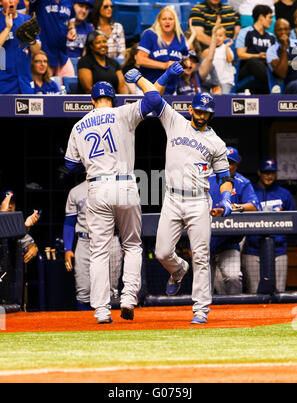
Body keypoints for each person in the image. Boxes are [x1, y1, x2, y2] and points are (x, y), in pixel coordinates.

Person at [64, 68, 169, 324]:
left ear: (92, 100)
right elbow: (155, 101)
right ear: (114, 98)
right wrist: (145, 80)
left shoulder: (79, 125)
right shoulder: (123, 112)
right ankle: (128, 298)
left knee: (99, 251)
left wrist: (91, 164)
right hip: (125, 184)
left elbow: (69, 165)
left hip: (97, 187)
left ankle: (101, 311)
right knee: (132, 245)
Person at [152, 84, 234, 324]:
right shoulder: (174, 121)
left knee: (201, 256)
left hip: (199, 200)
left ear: (210, 114)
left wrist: (227, 199)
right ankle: (178, 269)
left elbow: (224, 177)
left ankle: (200, 309)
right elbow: (154, 97)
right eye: (198, 111)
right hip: (173, 197)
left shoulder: (216, 142)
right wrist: (149, 79)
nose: (201, 116)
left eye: (205, 113)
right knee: (162, 252)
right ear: (191, 109)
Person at [63, 179, 122, 311]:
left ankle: (109, 327)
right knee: (83, 291)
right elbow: (69, 222)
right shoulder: (76, 191)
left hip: (109, 240)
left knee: (111, 291)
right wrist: (67, 248)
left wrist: (125, 243)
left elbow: (124, 220)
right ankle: (85, 328)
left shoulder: (114, 188)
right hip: (84, 241)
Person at [209, 147, 260, 295]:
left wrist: (235, 207)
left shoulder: (242, 182)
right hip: (206, 240)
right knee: (205, 284)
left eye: (231, 163)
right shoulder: (206, 179)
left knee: (233, 277)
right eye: (225, 162)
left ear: (237, 165)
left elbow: (254, 206)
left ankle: (237, 310)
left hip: (228, 241)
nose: (227, 165)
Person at [243, 158, 296, 294]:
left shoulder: (285, 194)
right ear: (259, 172)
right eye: (266, 172)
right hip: (253, 250)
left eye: (272, 172)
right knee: (254, 292)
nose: (269, 176)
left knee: (279, 292)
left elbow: (294, 221)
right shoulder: (250, 192)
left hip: (279, 250)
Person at [136, 6, 189, 95]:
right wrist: (164, 65)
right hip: (147, 88)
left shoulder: (180, 38)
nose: (167, 21)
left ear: (175, 21)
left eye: (170, 19)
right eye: (164, 19)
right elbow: (140, 59)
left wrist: (184, 65)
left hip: (170, 90)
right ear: (159, 21)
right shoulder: (150, 35)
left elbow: (186, 61)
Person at [0, 0, 41, 94]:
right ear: (1, 2)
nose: (11, 1)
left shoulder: (27, 20)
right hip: (3, 81)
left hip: (25, 81)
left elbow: (36, 50)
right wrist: (7, 28)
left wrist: (31, 40)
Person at [29, 0, 76, 81]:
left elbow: (72, 17)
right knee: (44, 90)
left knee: (71, 85)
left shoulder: (68, 2)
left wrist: (72, 28)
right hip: (43, 55)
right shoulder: (40, 2)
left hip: (62, 55)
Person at [235, 4, 276, 94]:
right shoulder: (246, 32)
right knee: (254, 61)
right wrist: (258, 56)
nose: (271, 20)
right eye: (269, 17)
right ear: (261, 17)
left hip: (265, 67)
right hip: (247, 68)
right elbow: (240, 54)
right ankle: (271, 91)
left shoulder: (271, 37)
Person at [0, 191, 39, 264]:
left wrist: (32, 246)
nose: (10, 206)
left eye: (12, 203)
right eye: (7, 203)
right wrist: (3, 214)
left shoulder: (15, 226)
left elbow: (22, 239)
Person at [266, 18, 297, 93]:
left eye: (286, 29)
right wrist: (284, 47)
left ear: (290, 30)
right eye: (279, 30)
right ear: (275, 32)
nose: (283, 32)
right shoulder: (272, 50)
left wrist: (291, 64)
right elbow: (282, 73)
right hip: (291, 84)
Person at [205, 25, 235, 94]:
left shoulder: (226, 48)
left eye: (220, 36)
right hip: (213, 82)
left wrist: (227, 47)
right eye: (216, 36)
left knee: (224, 98)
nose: (218, 38)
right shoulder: (210, 50)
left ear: (224, 37)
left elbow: (230, 59)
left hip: (226, 81)